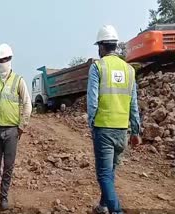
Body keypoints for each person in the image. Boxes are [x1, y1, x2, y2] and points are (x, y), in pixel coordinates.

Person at [87, 25, 141, 214]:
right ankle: (103, 206)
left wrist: (91, 125)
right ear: (115, 45)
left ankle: (116, 211)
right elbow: (134, 103)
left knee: (103, 175)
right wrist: (135, 131)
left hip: (104, 129)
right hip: (122, 131)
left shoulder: (98, 66)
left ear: (101, 46)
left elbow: (92, 101)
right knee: (110, 172)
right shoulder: (129, 70)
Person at [0, 43, 32, 213]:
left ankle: (4, 197)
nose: (2, 62)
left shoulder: (19, 80)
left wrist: (21, 127)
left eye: (4, 59)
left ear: (10, 60)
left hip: (12, 131)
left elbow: (27, 104)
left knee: (8, 166)